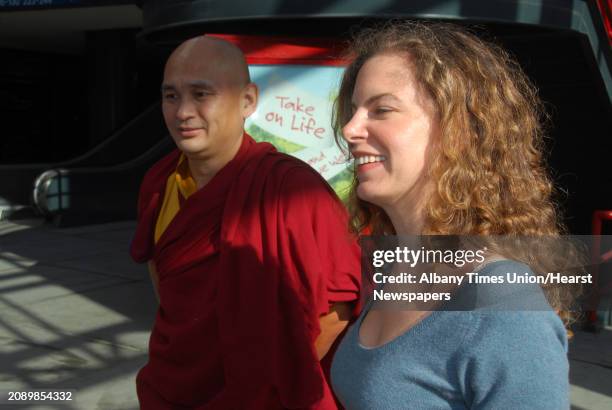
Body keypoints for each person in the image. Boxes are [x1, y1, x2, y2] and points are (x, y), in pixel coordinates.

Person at [330, 22, 575, 409]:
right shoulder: (399, 265)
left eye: (382, 109)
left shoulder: (502, 304)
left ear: (457, 129)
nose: (350, 128)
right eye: (355, 110)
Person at [130, 36, 360, 409]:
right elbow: (164, 281)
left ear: (248, 101)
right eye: (171, 96)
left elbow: (339, 308)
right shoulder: (159, 183)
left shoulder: (292, 190)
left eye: (202, 94)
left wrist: (270, 384)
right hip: (172, 387)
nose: (183, 112)